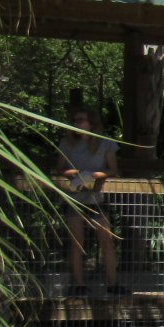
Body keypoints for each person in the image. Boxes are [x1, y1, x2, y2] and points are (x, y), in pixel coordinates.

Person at [54, 107, 123, 297]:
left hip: (97, 198)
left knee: (106, 240)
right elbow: (59, 168)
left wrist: (94, 176)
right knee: (78, 242)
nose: (77, 123)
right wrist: (76, 175)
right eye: (75, 120)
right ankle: (79, 285)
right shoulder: (66, 143)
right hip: (75, 197)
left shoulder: (106, 142)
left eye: (81, 119)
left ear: (91, 122)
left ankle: (113, 284)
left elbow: (113, 169)